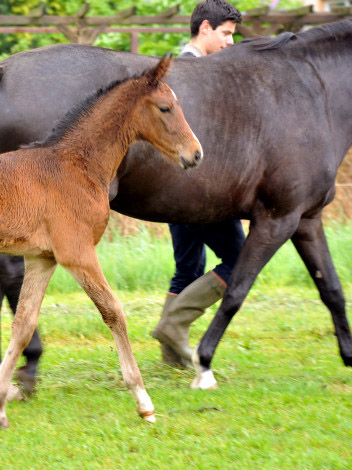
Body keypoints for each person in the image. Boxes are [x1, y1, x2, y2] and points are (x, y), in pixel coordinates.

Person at [151, 0, 245, 368]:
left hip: (174, 191)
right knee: (239, 260)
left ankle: (172, 357)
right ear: (205, 28)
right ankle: (173, 326)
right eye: (225, 34)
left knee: (188, 268)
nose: (229, 43)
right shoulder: (192, 74)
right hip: (204, 189)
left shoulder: (175, 70)